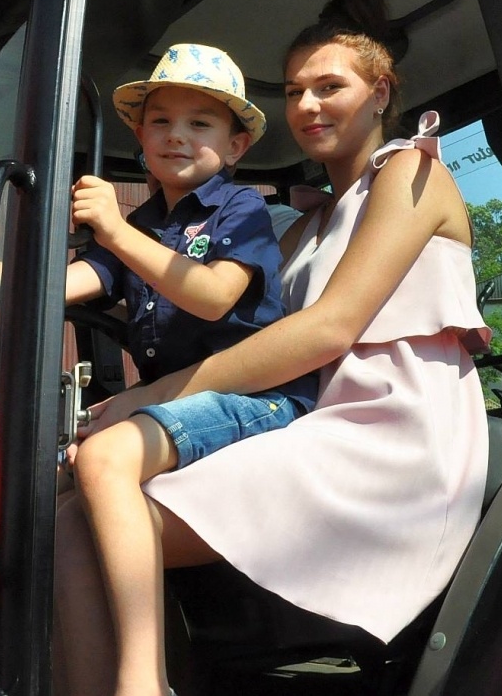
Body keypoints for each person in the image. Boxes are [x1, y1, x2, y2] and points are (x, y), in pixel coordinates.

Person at [55, 0, 490, 696]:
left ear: (380, 94)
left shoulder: (414, 174)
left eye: (330, 86)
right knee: (77, 521)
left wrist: (149, 394)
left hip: (393, 439)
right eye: (294, 91)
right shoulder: (299, 227)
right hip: (321, 429)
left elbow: (328, 329)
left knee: (111, 495)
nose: (309, 105)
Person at [62, 45, 321, 639]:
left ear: (235, 147)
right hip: (181, 402)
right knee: (60, 505)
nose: (176, 135)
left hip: (260, 396)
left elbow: (212, 295)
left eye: (199, 123)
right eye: (161, 121)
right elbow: (83, 280)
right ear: (140, 135)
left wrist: (115, 228)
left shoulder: (242, 209)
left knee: (102, 456)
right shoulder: (145, 224)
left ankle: (143, 679)